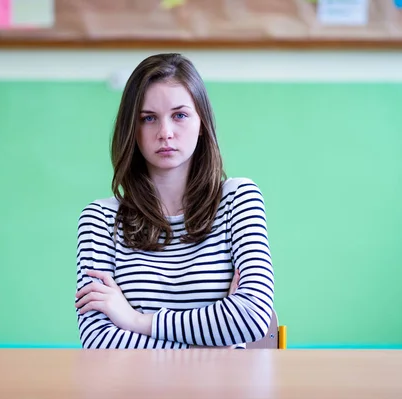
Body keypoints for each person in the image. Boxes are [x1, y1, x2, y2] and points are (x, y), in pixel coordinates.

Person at [74, 53, 274, 349]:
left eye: (179, 115)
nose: (165, 133)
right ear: (132, 128)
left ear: (202, 122)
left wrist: (137, 321)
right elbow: (99, 341)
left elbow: (253, 316)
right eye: (148, 118)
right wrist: (214, 348)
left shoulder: (238, 199)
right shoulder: (99, 220)